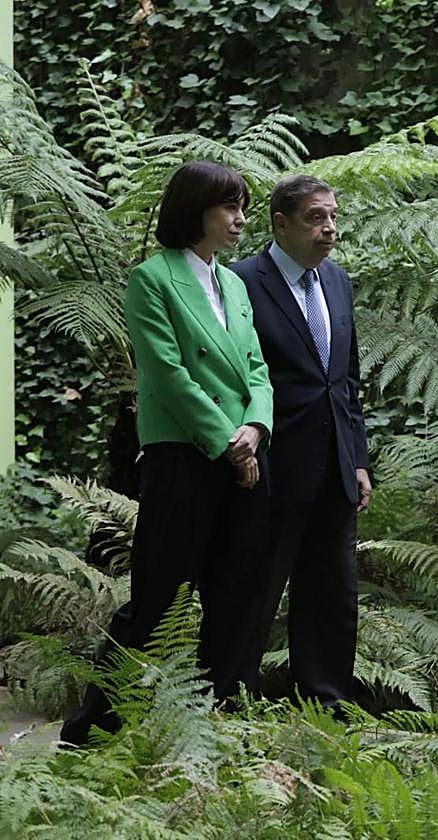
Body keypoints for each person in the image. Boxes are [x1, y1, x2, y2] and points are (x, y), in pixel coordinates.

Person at [61, 161, 272, 745]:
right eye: (229, 206)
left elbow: (257, 367)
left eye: (242, 206)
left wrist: (255, 428)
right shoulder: (152, 278)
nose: (240, 219)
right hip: (183, 456)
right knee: (158, 599)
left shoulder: (235, 284)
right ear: (194, 211)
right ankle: (94, 732)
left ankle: (218, 727)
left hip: (245, 452)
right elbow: (168, 374)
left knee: (236, 596)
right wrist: (229, 441)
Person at [231, 175, 371, 709]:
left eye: (333, 216)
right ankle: (233, 700)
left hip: (334, 467)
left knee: (332, 592)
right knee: (254, 589)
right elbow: (235, 376)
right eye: (316, 217)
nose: (329, 228)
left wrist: (357, 459)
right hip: (270, 466)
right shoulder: (241, 281)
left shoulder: (337, 280)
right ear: (281, 224)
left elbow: (345, 380)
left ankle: (325, 702)